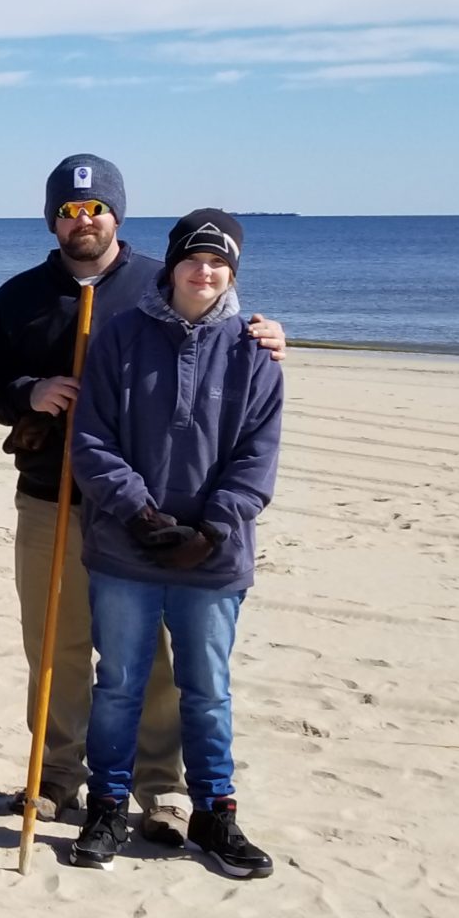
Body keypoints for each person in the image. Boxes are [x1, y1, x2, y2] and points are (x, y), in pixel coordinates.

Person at [0, 154, 286, 845]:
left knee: (161, 659)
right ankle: (55, 775)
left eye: (97, 208)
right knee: (58, 642)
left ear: (118, 213)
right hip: (51, 495)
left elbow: (219, 331)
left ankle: (161, 789)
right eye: (70, 210)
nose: (85, 220)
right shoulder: (19, 296)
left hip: (155, 515)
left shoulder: (159, 284)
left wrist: (267, 334)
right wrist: (29, 392)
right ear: (54, 218)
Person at [69, 210, 282, 877]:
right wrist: (139, 514)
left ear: (233, 272)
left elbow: (257, 455)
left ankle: (215, 812)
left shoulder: (255, 348)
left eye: (218, 262)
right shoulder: (120, 336)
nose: (205, 271)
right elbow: (92, 439)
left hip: (214, 557)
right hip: (126, 549)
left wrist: (214, 526)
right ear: (172, 264)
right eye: (194, 258)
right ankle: (105, 805)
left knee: (207, 689)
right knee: (121, 685)